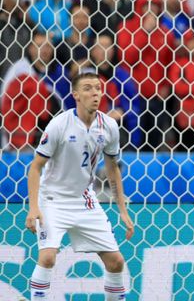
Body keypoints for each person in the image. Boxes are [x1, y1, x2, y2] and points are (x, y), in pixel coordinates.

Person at [25, 72, 134, 300]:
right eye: (87, 88)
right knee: (47, 258)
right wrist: (33, 207)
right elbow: (35, 167)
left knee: (116, 262)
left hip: (85, 201)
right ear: (75, 95)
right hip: (53, 201)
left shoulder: (109, 126)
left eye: (97, 88)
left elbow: (113, 167)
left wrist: (122, 209)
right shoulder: (59, 125)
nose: (94, 93)